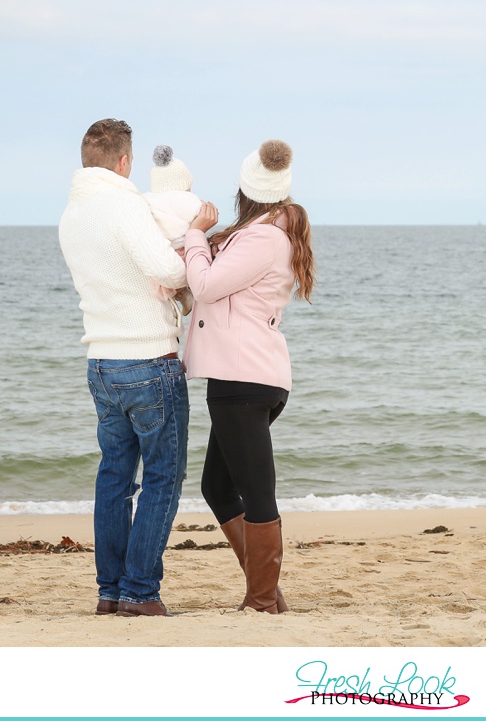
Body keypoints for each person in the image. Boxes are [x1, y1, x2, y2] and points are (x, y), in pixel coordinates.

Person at [58, 118, 191, 618]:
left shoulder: (72, 213)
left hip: (101, 361)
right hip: (148, 356)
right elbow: (169, 270)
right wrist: (194, 234)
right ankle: (140, 591)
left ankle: (110, 591)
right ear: (124, 162)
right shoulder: (123, 204)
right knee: (163, 477)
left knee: (115, 477)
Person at [182, 139, 315, 614]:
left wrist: (198, 235)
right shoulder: (264, 231)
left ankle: (261, 599)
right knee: (217, 487)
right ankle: (268, 593)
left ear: (245, 189)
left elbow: (209, 285)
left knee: (256, 492)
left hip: (244, 381)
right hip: (246, 377)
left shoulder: (263, 238)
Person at [142, 144, 201, 319]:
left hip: (160, 252)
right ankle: (186, 294)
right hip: (183, 250)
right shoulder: (186, 199)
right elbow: (201, 212)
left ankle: (178, 296)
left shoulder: (147, 200)